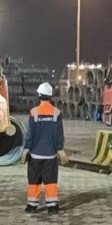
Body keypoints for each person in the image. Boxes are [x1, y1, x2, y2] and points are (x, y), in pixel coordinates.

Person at [21, 82, 67, 214]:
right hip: (50, 155)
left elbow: (30, 134)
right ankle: (52, 207)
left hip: (35, 154)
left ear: (39, 95)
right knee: (50, 181)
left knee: (34, 181)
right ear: (50, 97)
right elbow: (59, 134)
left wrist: (26, 148)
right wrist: (60, 149)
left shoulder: (34, 112)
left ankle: (31, 206)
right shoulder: (56, 113)